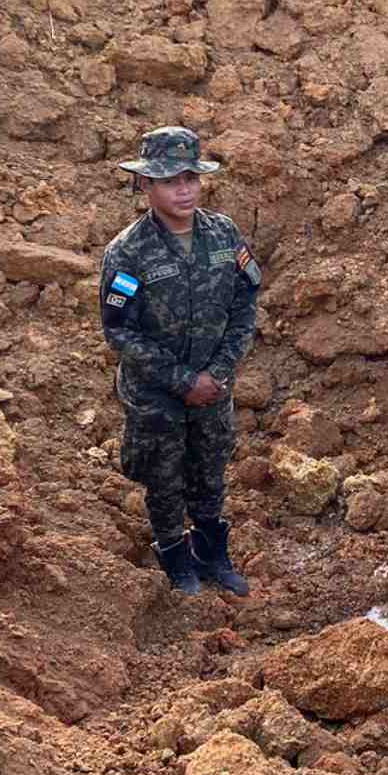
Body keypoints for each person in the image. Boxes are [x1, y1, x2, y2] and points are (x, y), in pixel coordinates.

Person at [100, 126, 261, 596]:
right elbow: (119, 330)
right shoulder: (128, 252)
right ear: (145, 185)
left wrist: (218, 372)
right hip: (157, 393)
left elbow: (245, 306)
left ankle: (213, 554)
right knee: (164, 477)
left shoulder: (224, 233)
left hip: (214, 385)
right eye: (170, 181)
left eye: (190, 178)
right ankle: (176, 560)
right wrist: (182, 380)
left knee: (210, 470)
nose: (184, 189)